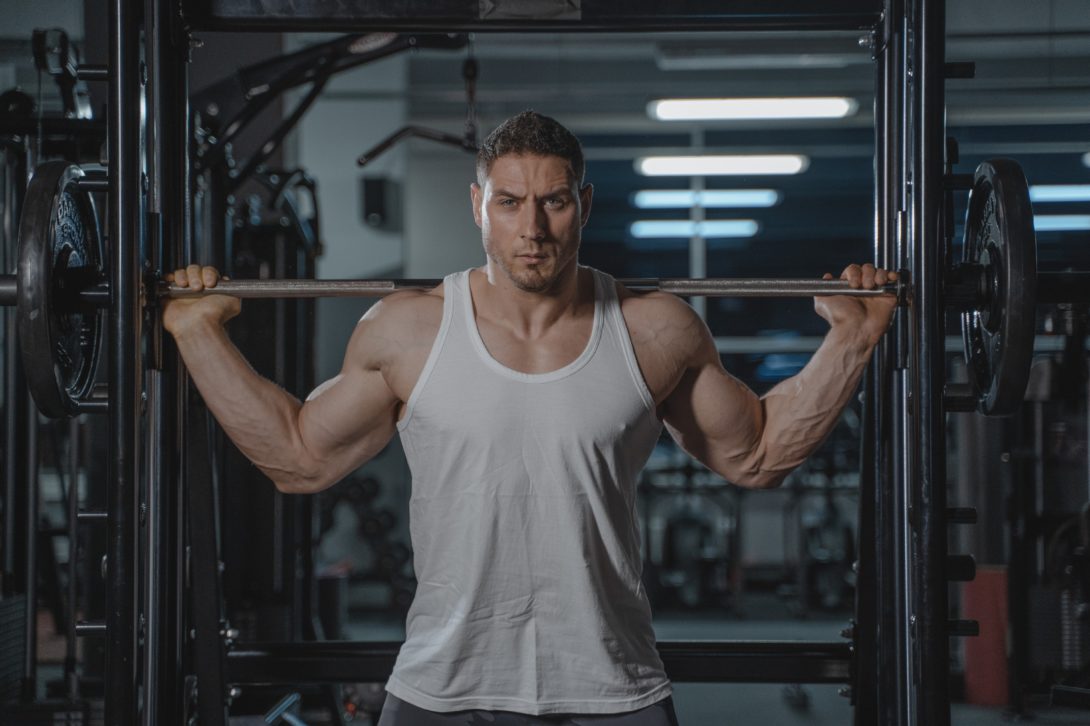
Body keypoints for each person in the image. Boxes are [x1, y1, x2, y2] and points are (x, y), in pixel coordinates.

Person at [163, 110, 897, 725]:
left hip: (614, 690)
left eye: (554, 201)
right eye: (509, 202)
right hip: (443, 690)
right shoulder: (406, 331)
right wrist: (197, 333)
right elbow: (299, 459)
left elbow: (758, 455)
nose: (533, 227)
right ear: (477, 205)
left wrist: (853, 338)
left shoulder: (656, 330)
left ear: (585, 202)